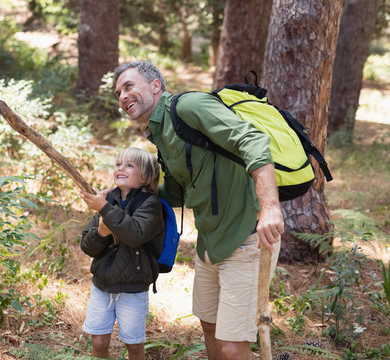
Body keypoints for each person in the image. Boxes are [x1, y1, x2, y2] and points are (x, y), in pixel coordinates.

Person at [113, 61, 284, 360]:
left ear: (155, 86)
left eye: (129, 86)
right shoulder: (160, 133)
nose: (123, 96)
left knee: (232, 346)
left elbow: (253, 139)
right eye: (118, 93)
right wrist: (126, 197)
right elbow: (177, 193)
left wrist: (270, 207)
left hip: (245, 237)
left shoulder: (189, 106)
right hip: (209, 244)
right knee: (210, 326)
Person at [80, 147, 165, 360]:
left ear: (146, 176)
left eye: (129, 165)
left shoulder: (150, 204)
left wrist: (105, 209)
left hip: (133, 287)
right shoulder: (108, 200)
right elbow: (87, 246)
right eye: (118, 164)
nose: (121, 168)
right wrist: (101, 231)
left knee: (134, 345)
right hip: (102, 285)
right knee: (99, 341)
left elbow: (135, 235)